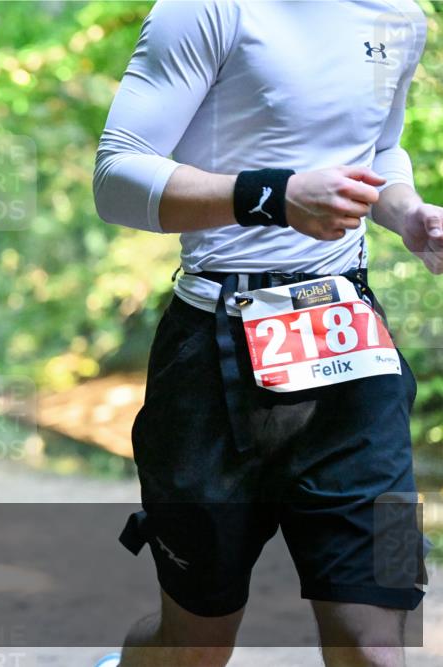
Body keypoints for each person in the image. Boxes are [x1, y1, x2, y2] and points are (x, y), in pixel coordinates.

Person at [92, 2, 439, 666]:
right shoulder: (208, 9)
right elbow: (116, 177)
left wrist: (409, 213)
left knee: (376, 649)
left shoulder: (400, 16)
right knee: (194, 648)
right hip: (210, 350)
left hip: (349, 343)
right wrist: (272, 195)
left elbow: (380, 147)